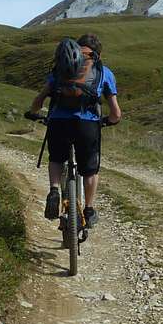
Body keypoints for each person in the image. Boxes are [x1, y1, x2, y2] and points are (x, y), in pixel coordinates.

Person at [27, 33, 121, 228]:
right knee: (90, 171)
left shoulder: (60, 69)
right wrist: (108, 121)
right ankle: (89, 209)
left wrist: (33, 112)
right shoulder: (103, 71)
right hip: (87, 126)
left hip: (58, 123)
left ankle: (54, 190)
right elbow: (116, 113)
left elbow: (39, 100)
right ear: (98, 53)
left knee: (56, 159)